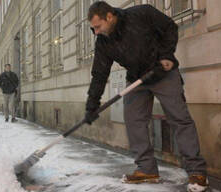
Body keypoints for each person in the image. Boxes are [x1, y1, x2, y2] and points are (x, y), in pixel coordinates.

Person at [84, 2, 208, 191]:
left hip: (163, 72)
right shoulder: (103, 41)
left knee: (179, 118)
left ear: (109, 16)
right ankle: (147, 169)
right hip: (137, 79)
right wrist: (92, 105)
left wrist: (166, 55)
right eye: (93, 28)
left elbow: (169, 28)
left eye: (98, 26)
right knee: (133, 120)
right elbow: (99, 74)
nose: (96, 32)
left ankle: (197, 171)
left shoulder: (141, 13)